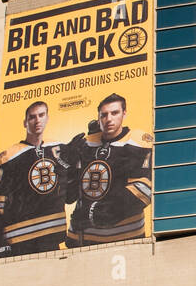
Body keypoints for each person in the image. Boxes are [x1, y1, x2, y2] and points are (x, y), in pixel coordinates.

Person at [64, 93, 153, 246]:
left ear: (124, 113)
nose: (109, 119)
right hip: (81, 239)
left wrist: (94, 214)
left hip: (126, 239)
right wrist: (67, 165)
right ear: (98, 118)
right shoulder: (85, 144)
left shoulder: (137, 141)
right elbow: (69, 196)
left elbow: (143, 190)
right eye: (103, 115)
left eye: (114, 113)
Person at [0, 101, 71, 258]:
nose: (37, 120)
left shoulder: (59, 149)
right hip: (19, 243)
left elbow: (70, 194)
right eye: (32, 117)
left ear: (47, 118)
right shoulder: (6, 158)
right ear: (25, 122)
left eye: (41, 115)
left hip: (51, 239)